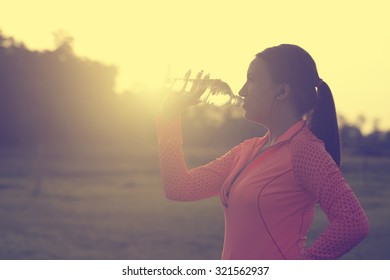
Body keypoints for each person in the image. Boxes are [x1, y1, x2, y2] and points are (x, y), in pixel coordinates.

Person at [156, 44, 369, 260]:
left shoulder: (305, 151)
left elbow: (353, 222)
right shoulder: (247, 150)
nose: (241, 91)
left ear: (282, 91)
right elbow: (178, 187)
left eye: (252, 79)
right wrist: (170, 115)